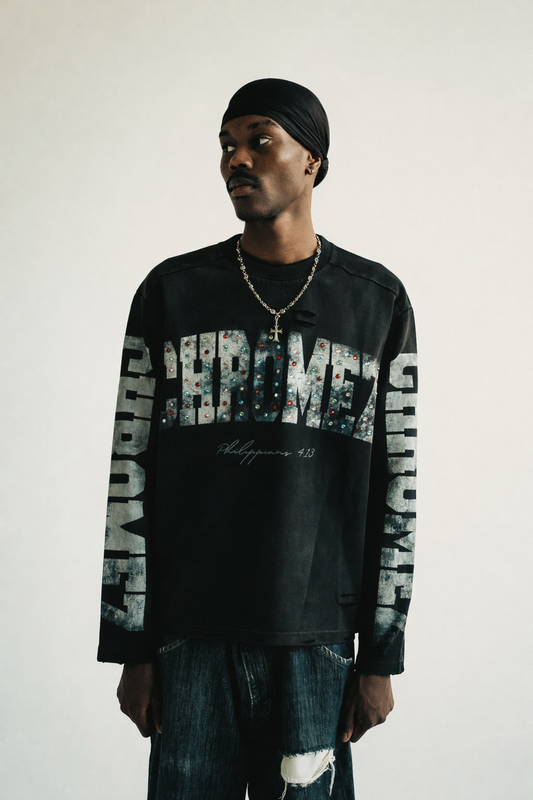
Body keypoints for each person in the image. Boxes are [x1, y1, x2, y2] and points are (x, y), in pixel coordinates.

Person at [98, 78, 417, 800]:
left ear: (312, 161)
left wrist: (380, 656)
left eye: (259, 140)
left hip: (318, 640)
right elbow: (130, 467)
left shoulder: (375, 301)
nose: (235, 159)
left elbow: (396, 485)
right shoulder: (172, 292)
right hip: (189, 636)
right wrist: (131, 643)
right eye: (226, 145)